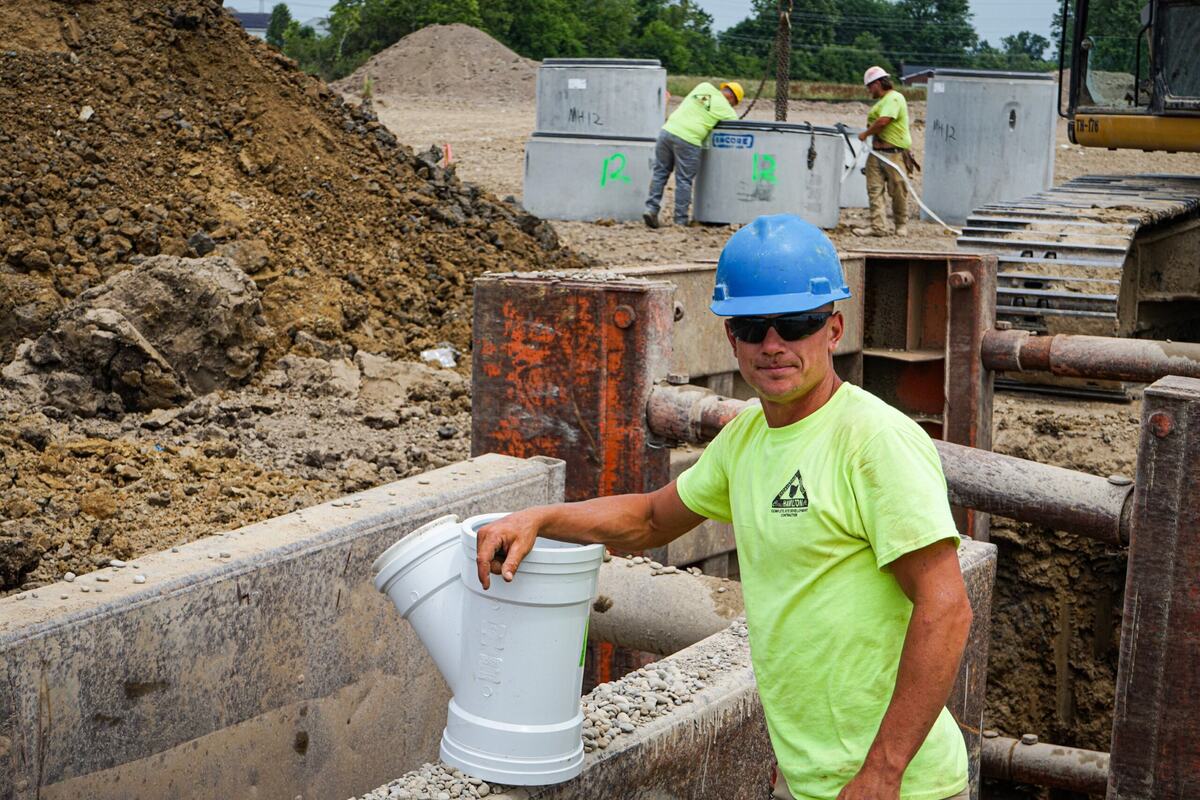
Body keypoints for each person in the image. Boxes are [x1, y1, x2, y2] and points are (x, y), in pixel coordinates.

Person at [476, 214, 973, 800]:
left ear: (832, 329)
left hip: (900, 787)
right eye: (753, 326)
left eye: (795, 323)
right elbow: (650, 520)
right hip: (809, 778)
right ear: (730, 337)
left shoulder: (872, 442)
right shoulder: (745, 441)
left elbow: (946, 608)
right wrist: (541, 518)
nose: (773, 344)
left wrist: (882, 772)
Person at [644, 80, 744, 229]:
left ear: (725, 89)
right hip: (688, 140)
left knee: (660, 173)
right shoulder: (727, 111)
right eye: (733, 104)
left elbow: (703, 105)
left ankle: (651, 209)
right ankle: (680, 220)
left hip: (667, 132)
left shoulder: (703, 87)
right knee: (683, 180)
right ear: (732, 99)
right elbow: (736, 127)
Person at [854, 66, 914, 238]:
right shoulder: (882, 102)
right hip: (877, 153)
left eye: (869, 86)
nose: (868, 90)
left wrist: (865, 134)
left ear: (878, 83)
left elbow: (883, 121)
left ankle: (901, 225)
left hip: (894, 154)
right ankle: (878, 227)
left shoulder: (894, 98)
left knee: (898, 190)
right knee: (874, 190)